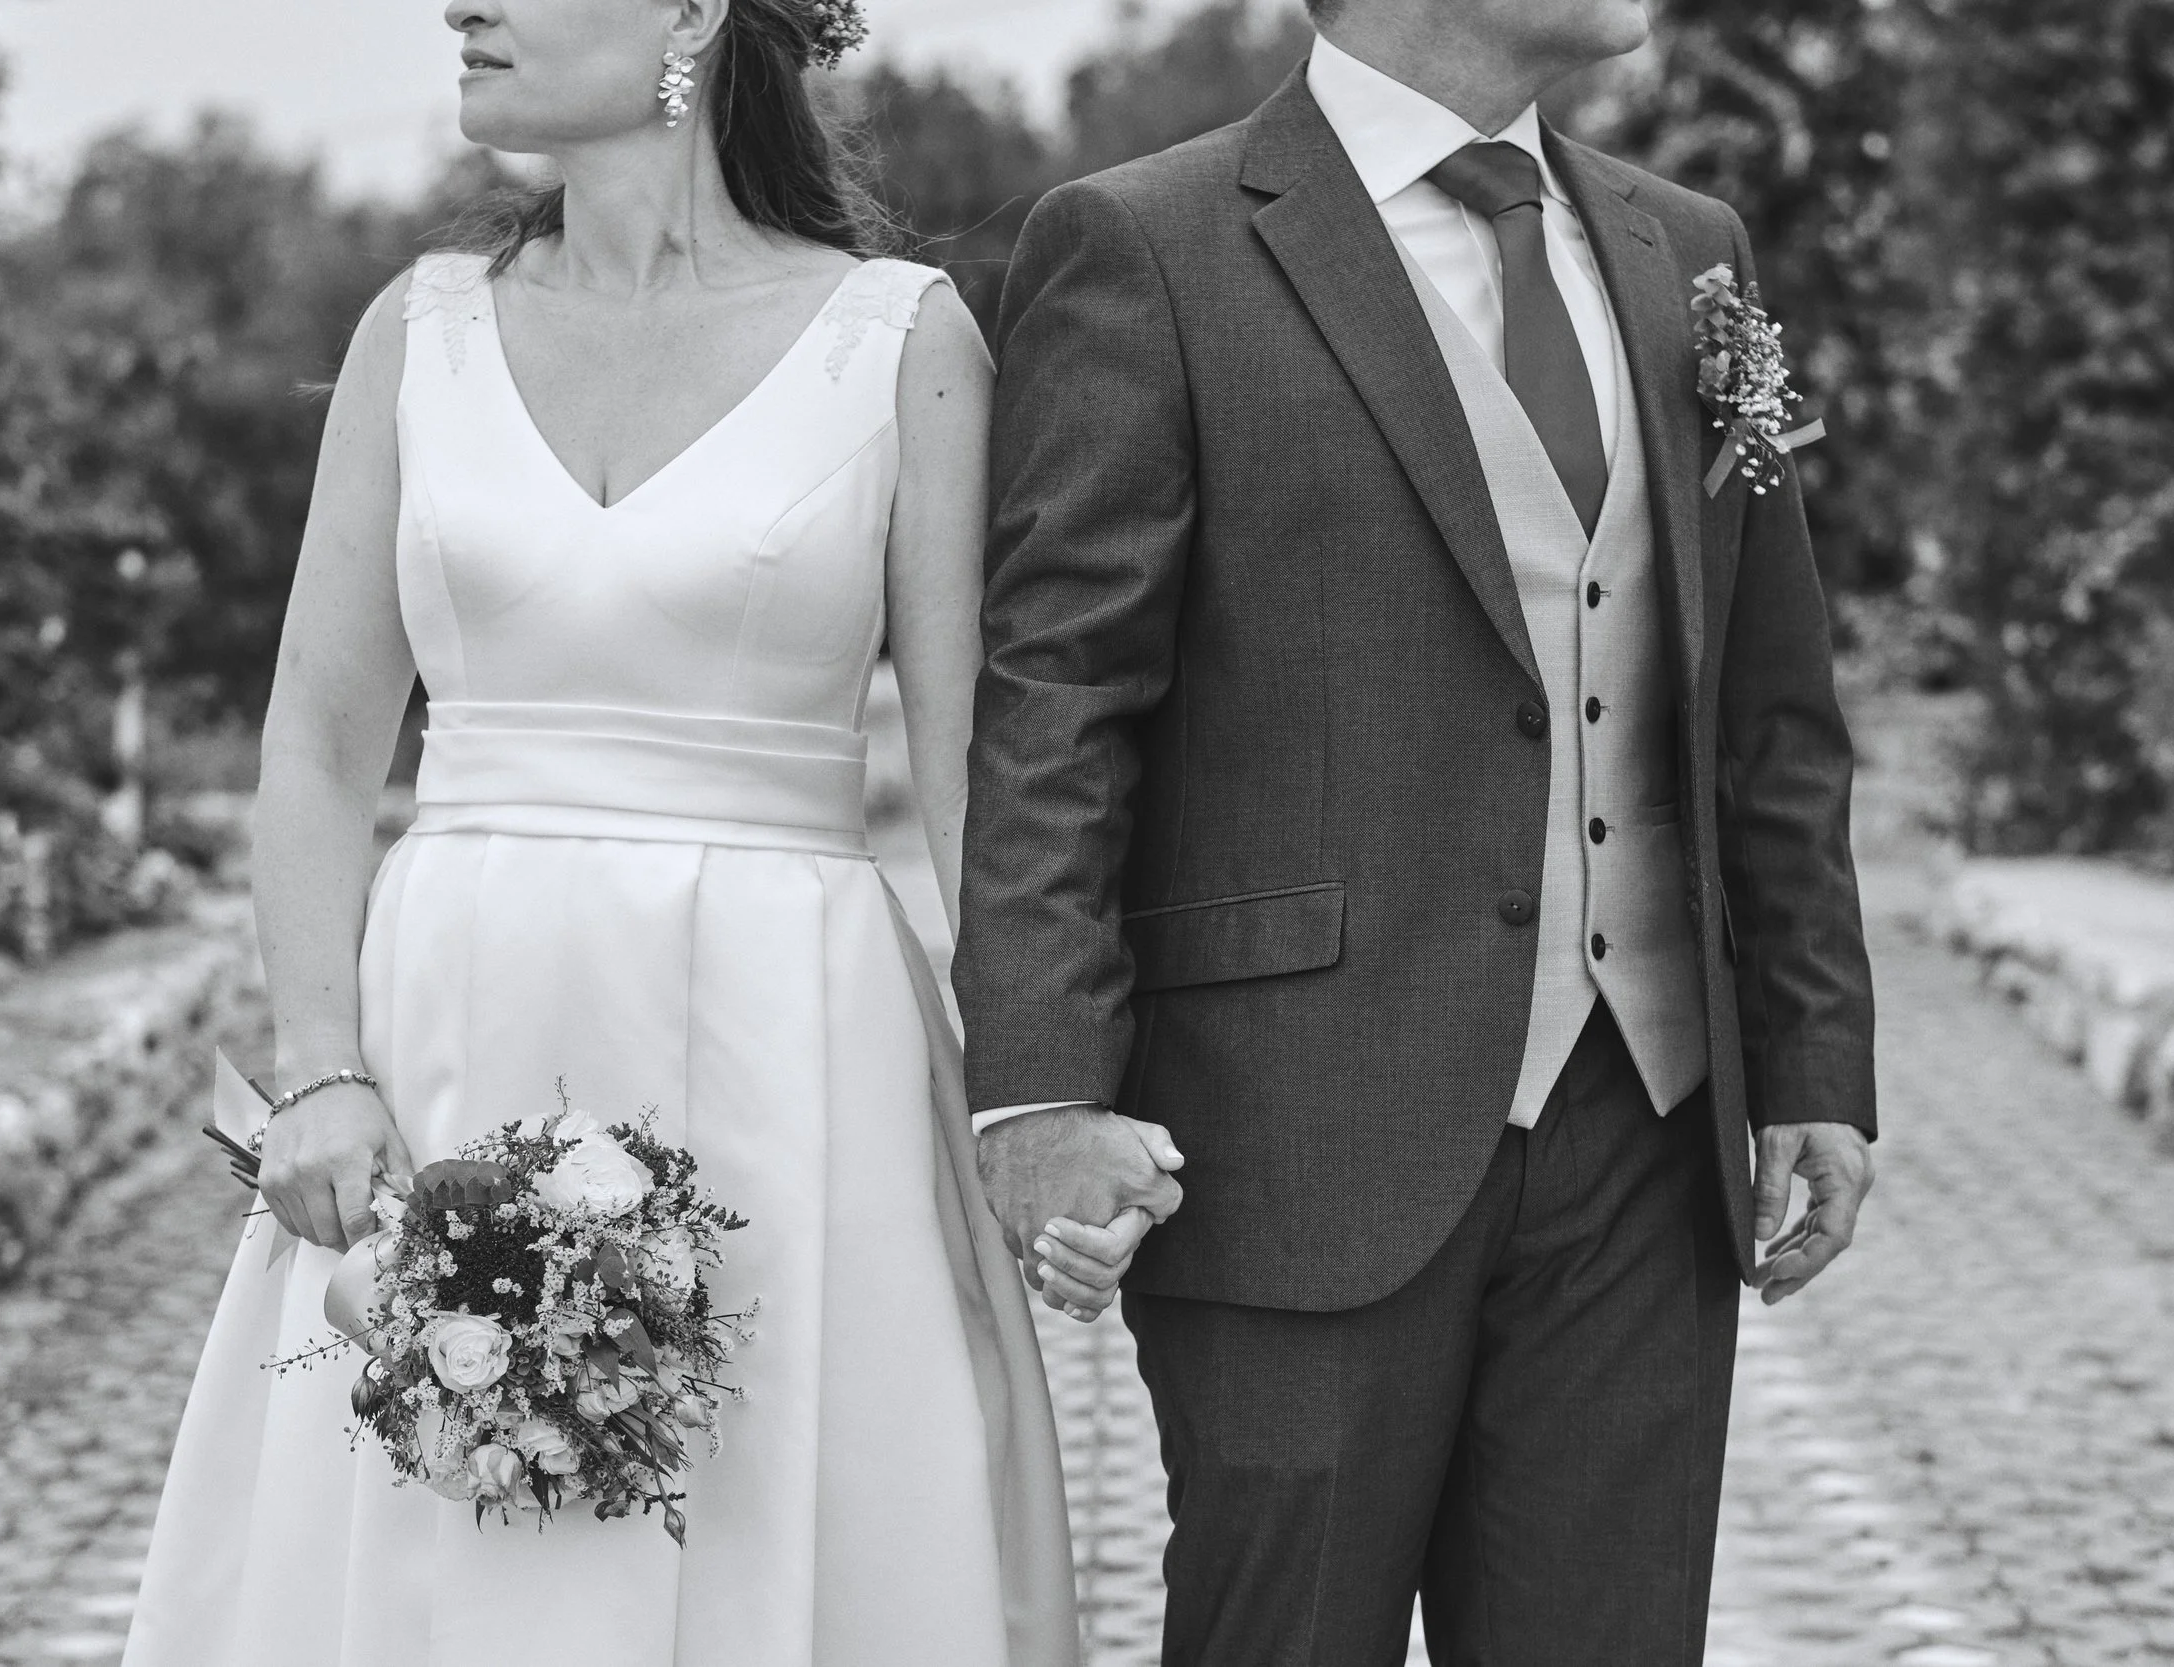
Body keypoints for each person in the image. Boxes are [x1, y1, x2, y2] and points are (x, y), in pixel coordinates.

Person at [122, 2, 1106, 1661]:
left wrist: (1043, 1096)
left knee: (791, 1531)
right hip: (451, 1036)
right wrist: (318, 1062)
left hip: (802, 1062)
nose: (463, 6)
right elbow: (315, 737)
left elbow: (979, 792)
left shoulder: (905, 343)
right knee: (438, 1541)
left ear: (692, 14)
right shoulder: (415, 333)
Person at [957, 1, 1881, 1662]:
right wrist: (1040, 1086)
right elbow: (1059, 704)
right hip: (1293, 1133)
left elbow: (1769, 705)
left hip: (1644, 1125)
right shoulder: (1146, 246)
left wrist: (1812, 1055)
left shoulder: (1687, 249)